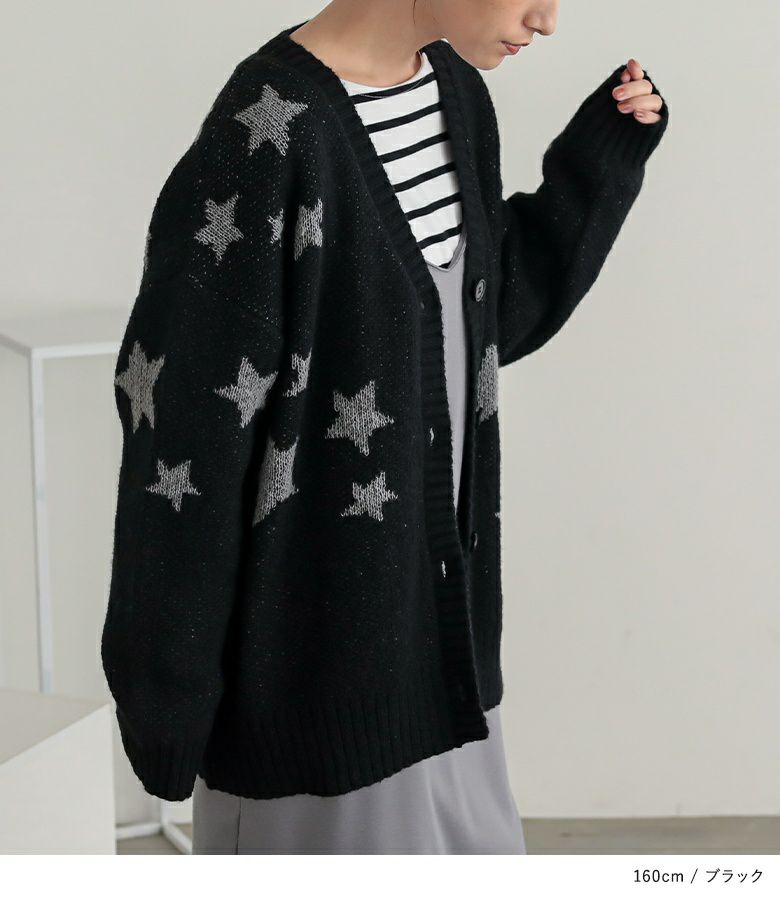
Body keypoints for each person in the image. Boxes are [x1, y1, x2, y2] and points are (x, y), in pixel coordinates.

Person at [102, 0, 668, 854]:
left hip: (444, 673)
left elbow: (477, 327)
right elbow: (184, 435)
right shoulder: (268, 133)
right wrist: (168, 697)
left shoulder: (454, 93)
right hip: (312, 705)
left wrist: (600, 162)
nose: (547, 19)